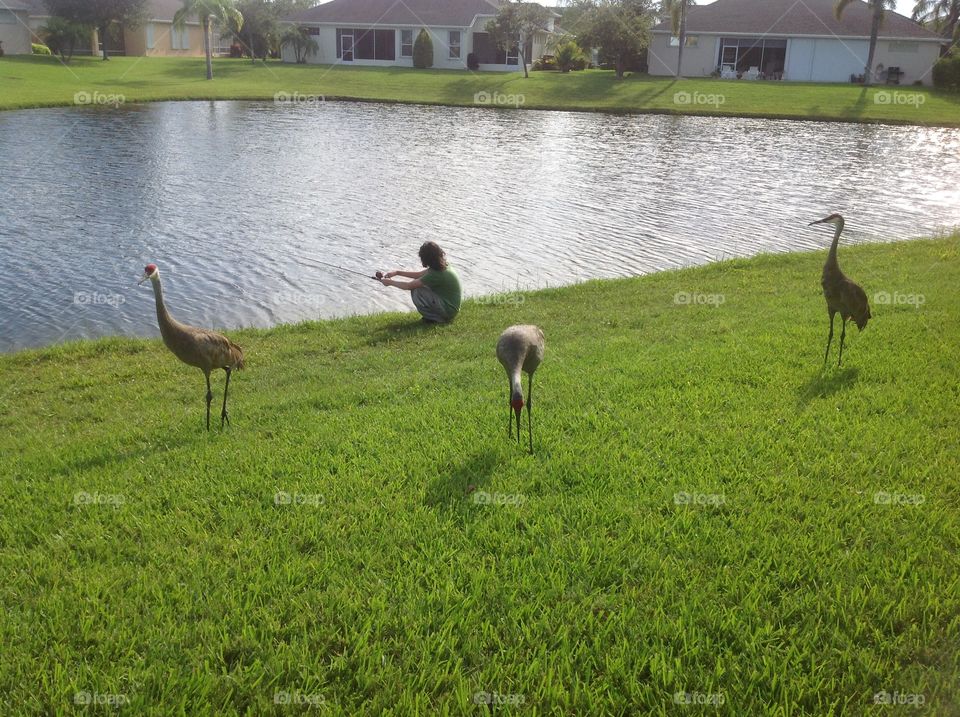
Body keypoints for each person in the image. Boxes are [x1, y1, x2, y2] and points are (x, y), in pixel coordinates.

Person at [379, 242, 461, 323]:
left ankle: (435, 319)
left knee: (416, 290)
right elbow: (418, 275)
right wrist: (397, 272)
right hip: (451, 308)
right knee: (420, 286)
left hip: (449, 311)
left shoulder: (436, 274)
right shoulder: (442, 265)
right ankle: (434, 317)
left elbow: (408, 286)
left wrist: (390, 282)